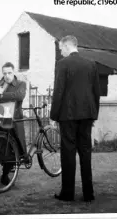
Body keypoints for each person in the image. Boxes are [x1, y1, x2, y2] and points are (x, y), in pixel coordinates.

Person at [50, 35, 100, 202]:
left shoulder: (62, 64)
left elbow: (58, 92)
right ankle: (88, 193)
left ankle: (68, 193)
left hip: (68, 115)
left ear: (66, 46)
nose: (60, 52)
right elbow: (96, 92)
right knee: (86, 152)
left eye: (60, 49)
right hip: (87, 114)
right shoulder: (91, 64)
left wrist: (53, 115)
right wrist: (94, 114)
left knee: (68, 153)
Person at [0, 62, 27, 186]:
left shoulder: (20, 84)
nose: (7, 76)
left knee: (12, 151)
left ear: (14, 72)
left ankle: (5, 175)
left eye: (9, 73)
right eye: (5, 73)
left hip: (13, 123)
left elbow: (19, 95)